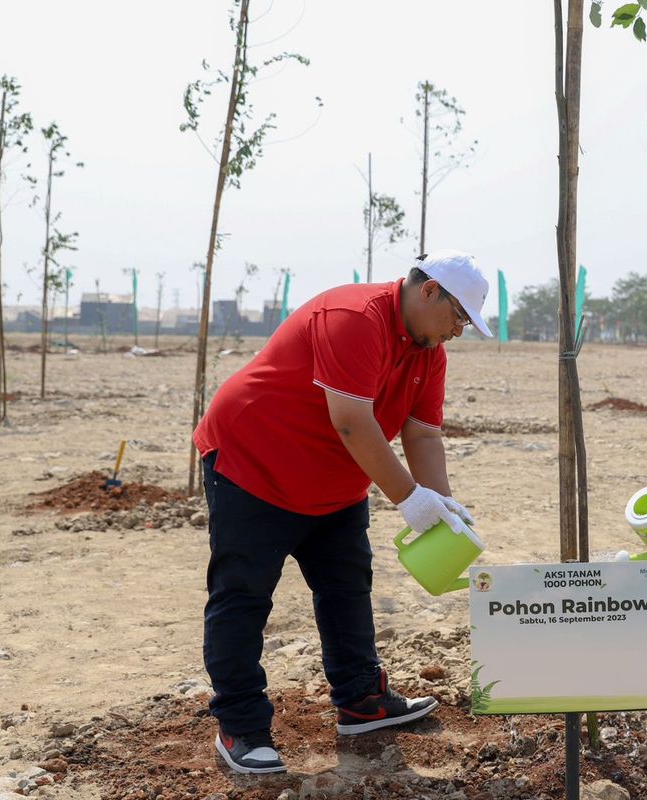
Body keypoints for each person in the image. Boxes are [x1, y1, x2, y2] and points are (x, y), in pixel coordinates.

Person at [193, 250, 493, 773]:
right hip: (253, 462)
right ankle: (241, 726)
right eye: (459, 316)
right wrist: (409, 498)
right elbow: (352, 420)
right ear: (428, 292)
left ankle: (361, 701)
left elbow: (421, 433)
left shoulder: (428, 352)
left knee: (347, 586)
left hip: (333, 479)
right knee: (243, 595)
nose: (460, 331)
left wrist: (442, 502)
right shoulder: (355, 319)